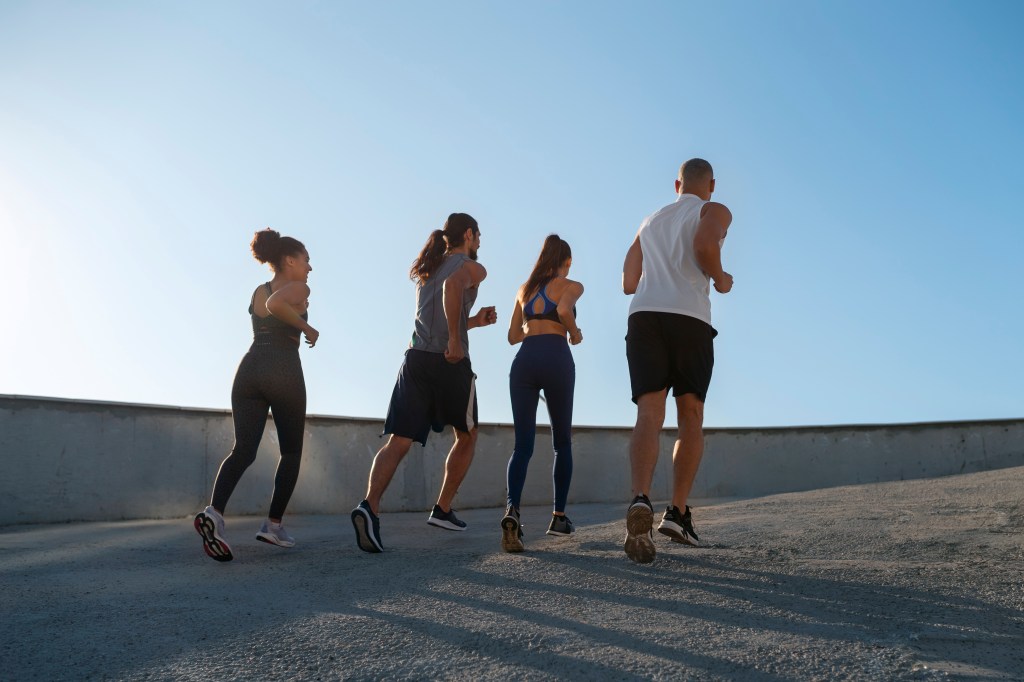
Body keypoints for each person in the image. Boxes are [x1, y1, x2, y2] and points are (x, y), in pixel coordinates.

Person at [351, 213, 497, 553]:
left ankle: (369, 507)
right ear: (469, 235)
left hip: (416, 359)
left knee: (398, 440)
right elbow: (452, 289)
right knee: (468, 434)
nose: (480, 242)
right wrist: (458, 343)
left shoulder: (429, 267)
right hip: (448, 362)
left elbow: (438, 316)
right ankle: (442, 508)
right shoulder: (474, 267)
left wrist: (471, 322)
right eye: (478, 235)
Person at [621, 158, 733, 564]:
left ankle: (640, 498)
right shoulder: (713, 210)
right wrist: (720, 279)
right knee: (691, 414)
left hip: (644, 315)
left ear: (676, 184)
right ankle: (679, 512)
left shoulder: (650, 220)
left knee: (649, 413)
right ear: (712, 185)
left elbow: (628, 281)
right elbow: (705, 245)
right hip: (689, 318)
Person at [194, 228, 319, 562]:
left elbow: (265, 303)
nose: (310, 268)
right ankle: (273, 525)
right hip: (282, 367)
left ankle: (214, 514)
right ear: (289, 260)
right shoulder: (297, 287)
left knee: (243, 450)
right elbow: (275, 303)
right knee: (291, 452)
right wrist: (307, 327)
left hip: (249, 369)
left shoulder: (257, 289)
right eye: (306, 260)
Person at [501, 235, 584, 552]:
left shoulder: (524, 289)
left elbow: (512, 336)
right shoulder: (572, 285)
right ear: (566, 261)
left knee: (522, 445)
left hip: (524, 362)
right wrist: (574, 334)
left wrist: (532, 328)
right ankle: (558, 518)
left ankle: (512, 511)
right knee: (561, 441)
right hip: (556, 358)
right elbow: (564, 310)